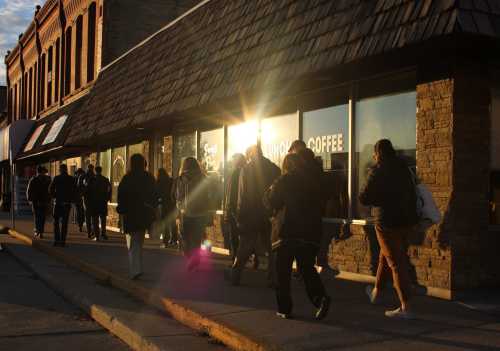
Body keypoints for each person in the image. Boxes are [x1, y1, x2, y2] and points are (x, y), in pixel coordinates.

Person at [264, 153, 331, 320]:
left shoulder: (284, 180)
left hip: (286, 231)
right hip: (309, 233)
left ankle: (284, 308)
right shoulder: (313, 181)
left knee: (283, 272)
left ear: (287, 166)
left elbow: (270, 201)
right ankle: (320, 298)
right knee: (306, 268)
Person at [360, 139, 418, 319]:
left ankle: (405, 307)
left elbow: (364, 197)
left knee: (396, 263)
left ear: (378, 154)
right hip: (407, 220)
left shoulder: (377, 171)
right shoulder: (404, 168)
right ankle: (376, 292)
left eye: (375, 153)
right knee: (386, 256)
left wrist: (379, 198)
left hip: (386, 222)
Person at [232, 144, 280, 286]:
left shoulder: (246, 170)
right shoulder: (275, 169)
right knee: (272, 249)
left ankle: (236, 274)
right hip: (269, 214)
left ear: (251, 155)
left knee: (245, 246)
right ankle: (273, 278)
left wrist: (240, 215)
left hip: (251, 214)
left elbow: (243, 195)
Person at [117, 154, 158, 279]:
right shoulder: (149, 177)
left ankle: (135, 269)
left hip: (130, 214)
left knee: (133, 242)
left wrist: (121, 210)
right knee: (138, 242)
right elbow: (155, 195)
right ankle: (137, 268)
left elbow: (121, 197)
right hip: (144, 214)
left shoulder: (127, 178)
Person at [174, 157, 210, 272]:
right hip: (201, 213)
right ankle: (195, 257)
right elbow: (208, 195)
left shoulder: (181, 179)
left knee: (185, 238)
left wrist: (180, 208)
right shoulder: (203, 178)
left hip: (186, 213)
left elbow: (178, 197)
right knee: (197, 239)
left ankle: (191, 258)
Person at [223, 153, 246, 262]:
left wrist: (228, 209)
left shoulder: (235, 173)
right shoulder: (245, 172)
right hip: (241, 208)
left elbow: (231, 194)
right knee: (242, 235)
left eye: (233, 160)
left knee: (234, 235)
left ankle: (236, 258)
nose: (231, 162)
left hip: (234, 209)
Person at [49, 164, 76, 247]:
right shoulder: (71, 179)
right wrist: (71, 199)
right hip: (67, 204)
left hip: (58, 203)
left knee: (56, 222)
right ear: (66, 170)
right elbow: (75, 190)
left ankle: (56, 240)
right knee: (64, 223)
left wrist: (55, 196)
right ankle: (62, 241)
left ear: (60, 170)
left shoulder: (57, 178)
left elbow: (50, 189)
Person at [26, 165, 52, 238]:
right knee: (43, 217)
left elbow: (29, 190)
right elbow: (51, 190)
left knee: (37, 216)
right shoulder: (48, 179)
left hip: (36, 201)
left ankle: (38, 231)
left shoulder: (33, 179)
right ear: (43, 171)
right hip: (44, 201)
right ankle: (40, 232)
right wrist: (49, 200)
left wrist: (29, 199)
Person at [88, 166, 112, 241]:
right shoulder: (105, 179)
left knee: (95, 219)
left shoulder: (92, 179)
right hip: (103, 201)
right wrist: (108, 198)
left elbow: (88, 190)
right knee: (103, 218)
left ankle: (97, 236)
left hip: (94, 202)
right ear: (101, 171)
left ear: (95, 171)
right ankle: (103, 233)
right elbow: (109, 189)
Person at [156, 168, 176, 248]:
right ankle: (174, 239)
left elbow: (157, 194)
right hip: (171, 204)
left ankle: (166, 240)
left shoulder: (158, 182)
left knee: (165, 223)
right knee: (172, 222)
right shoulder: (171, 180)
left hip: (163, 204)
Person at [81, 164, 96, 238]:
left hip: (87, 198)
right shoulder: (94, 176)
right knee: (93, 216)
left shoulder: (84, 176)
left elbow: (79, 186)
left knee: (88, 215)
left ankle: (89, 232)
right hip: (92, 198)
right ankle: (91, 231)